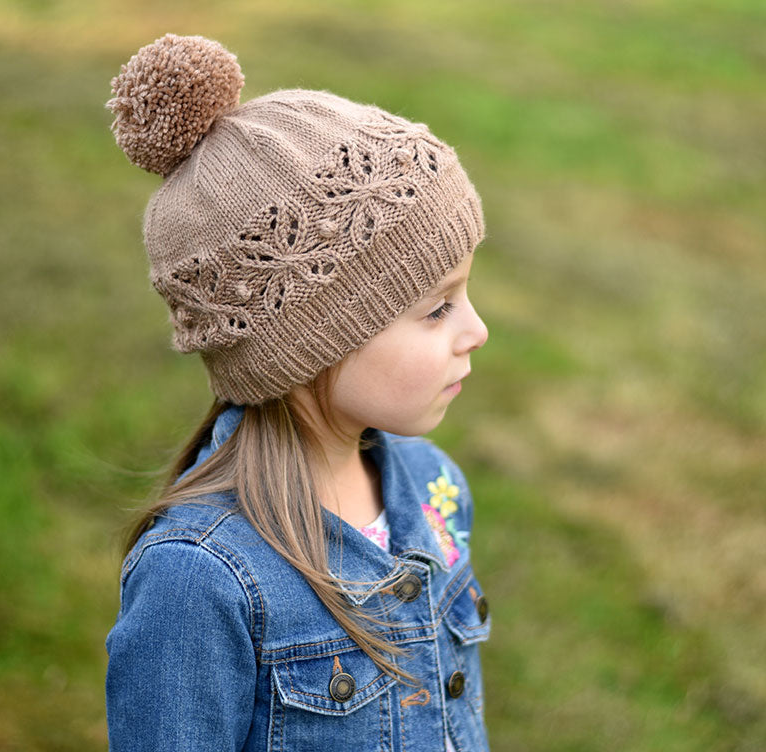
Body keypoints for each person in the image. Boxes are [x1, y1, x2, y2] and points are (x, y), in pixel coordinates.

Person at [103, 32, 492, 752]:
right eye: (437, 308)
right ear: (313, 343)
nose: (477, 330)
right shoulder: (199, 582)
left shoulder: (434, 488)